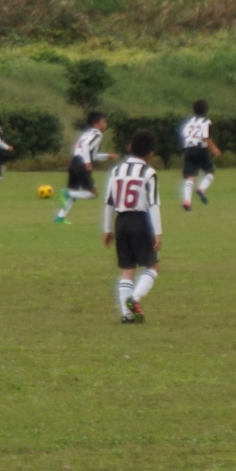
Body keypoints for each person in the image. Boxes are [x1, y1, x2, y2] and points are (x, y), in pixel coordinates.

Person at [103, 130, 162, 324]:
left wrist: (107, 229)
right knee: (153, 265)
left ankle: (127, 315)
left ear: (130, 147)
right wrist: (157, 233)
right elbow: (153, 204)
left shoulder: (116, 171)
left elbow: (109, 202)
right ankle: (134, 299)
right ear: (151, 152)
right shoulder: (149, 173)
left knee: (127, 268)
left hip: (121, 222)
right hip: (141, 220)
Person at [55, 111, 116, 224]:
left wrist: (107, 156)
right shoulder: (97, 134)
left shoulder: (87, 134)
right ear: (96, 123)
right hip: (81, 164)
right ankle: (66, 193)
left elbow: (93, 154)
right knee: (93, 194)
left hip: (74, 162)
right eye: (104, 122)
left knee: (74, 191)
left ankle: (60, 217)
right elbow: (85, 146)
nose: (106, 124)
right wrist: (87, 162)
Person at [181, 99, 221, 211]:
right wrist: (214, 149)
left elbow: (185, 135)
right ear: (206, 110)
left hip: (188, 149)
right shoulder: (206, 122)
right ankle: (201, 188)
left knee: (190, 176)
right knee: (210, 171)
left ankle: (187, 201)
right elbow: (206, 137)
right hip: (200, 149)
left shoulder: (190, 122)